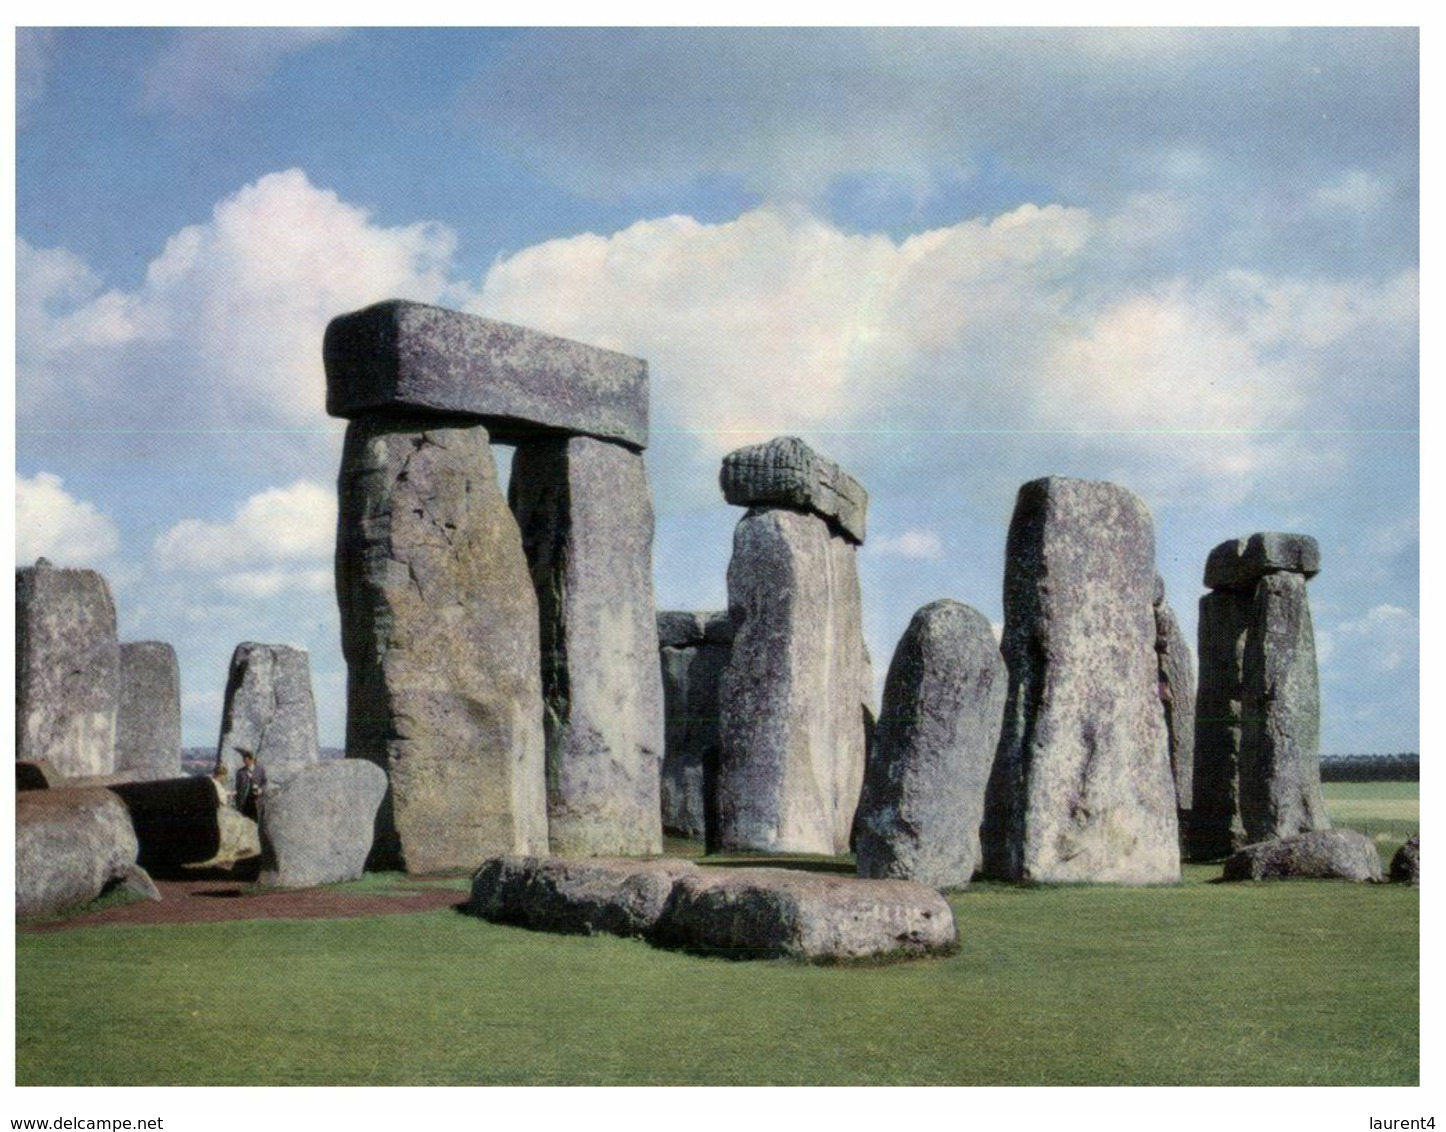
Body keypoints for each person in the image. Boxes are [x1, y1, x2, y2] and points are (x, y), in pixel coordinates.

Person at [234, 750, 267, 821]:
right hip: (245, 803)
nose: (244, 762)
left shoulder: (260, 770)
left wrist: (261, 790)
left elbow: (264, 783)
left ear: (251, 760)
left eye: (246, 760)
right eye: (243, 760)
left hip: (257, 802)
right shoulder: (240, 772)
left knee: (259, 822)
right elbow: (237, 787)